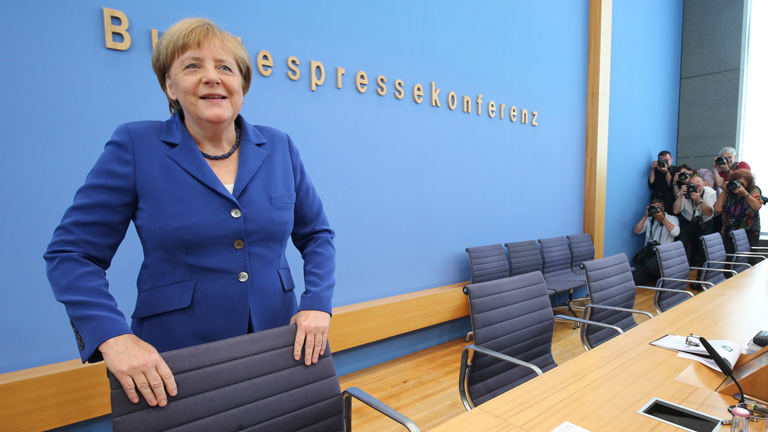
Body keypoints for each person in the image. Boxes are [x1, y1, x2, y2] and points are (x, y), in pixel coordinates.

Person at [44, 18, 336, 408]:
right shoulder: (136, 145)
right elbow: (71, 254)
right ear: (170, 85)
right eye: (193, 66)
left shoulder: (280, 147)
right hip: (173, 361)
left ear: (242, 85)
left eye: (225, 67)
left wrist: (316, 302)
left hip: (279, 347)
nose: (211, 78)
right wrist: (112, 336)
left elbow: (317, 235)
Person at [632, 199, 681, 285]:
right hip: (650, 252)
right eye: (653, 207)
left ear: (663, 209)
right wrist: (645, 216)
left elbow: (675, 233)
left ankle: (665, 276)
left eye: (657, 208)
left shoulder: (672, 219)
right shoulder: (649, 219)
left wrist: (663, 219)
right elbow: (636, 231)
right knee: (636, 278)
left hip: (664, 253)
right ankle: (653, 277)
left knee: (650, 266)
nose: (655, 210)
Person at [672, 174, 716, 267]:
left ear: (703, 185)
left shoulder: (709, 192)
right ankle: (680, 269)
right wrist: (680, 196)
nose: (695, 188)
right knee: (682, 245)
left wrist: (699, 199)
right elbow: (676, 211)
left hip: (705, 221)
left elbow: (709, 213)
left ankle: (701, 274)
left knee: (704, 248)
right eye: (692, 185)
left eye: (698, 185)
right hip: (688, 220)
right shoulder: (684, 192)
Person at [714, 169, 763, 250]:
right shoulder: (729, 193)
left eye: (741, 184)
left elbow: (757, 206)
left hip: (749, 232)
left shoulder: (753, 190)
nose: (738, 185)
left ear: (748, 184)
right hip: (730, 230)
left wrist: (745, 193)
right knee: (729, 257)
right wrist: (724, 191)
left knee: (748, 258)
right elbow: (717, 209)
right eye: (736, 182)